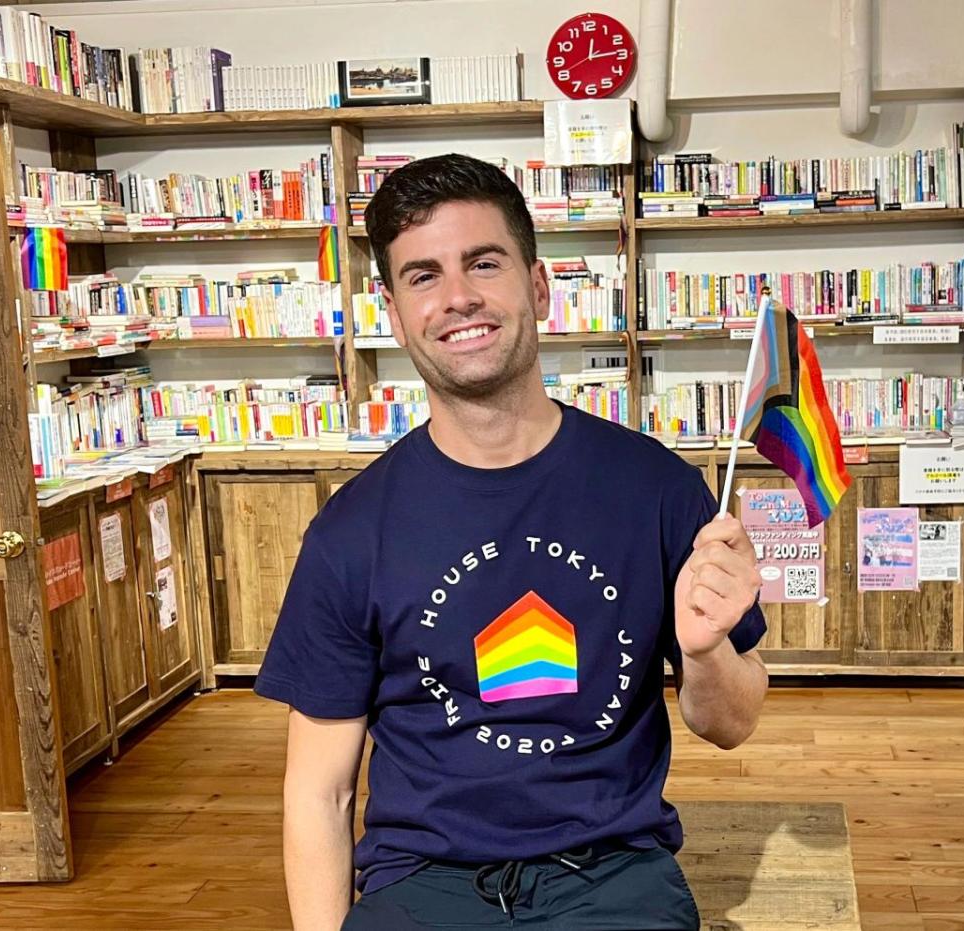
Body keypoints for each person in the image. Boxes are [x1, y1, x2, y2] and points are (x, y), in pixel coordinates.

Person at [255, 153, 769, 931]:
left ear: (537, 284)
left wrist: (704, 653)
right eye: (423, 276)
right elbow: (319, 791)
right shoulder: (350, 531)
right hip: (421, 884)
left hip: (612, 877)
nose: (458, 296)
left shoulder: (658, 489)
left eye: (483, 263)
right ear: (392, 313)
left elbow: (731, 723)